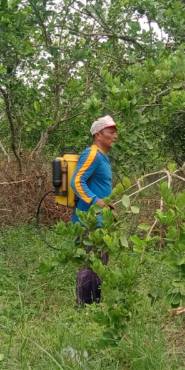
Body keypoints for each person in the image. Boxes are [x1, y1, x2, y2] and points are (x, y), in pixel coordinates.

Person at [71, 115, 118, 305]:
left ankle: (95, 305)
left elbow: (99, 188)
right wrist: (94, 200)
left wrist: (109, 207)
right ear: (98, 135)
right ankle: (84, 308)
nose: (115, 136)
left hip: (100, 221)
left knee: (99, 264)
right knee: (89, 265)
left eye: (115, 133)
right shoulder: (92, 154)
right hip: (88, 222)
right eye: (110, 132)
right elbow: (76, 180)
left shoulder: (103, 157)